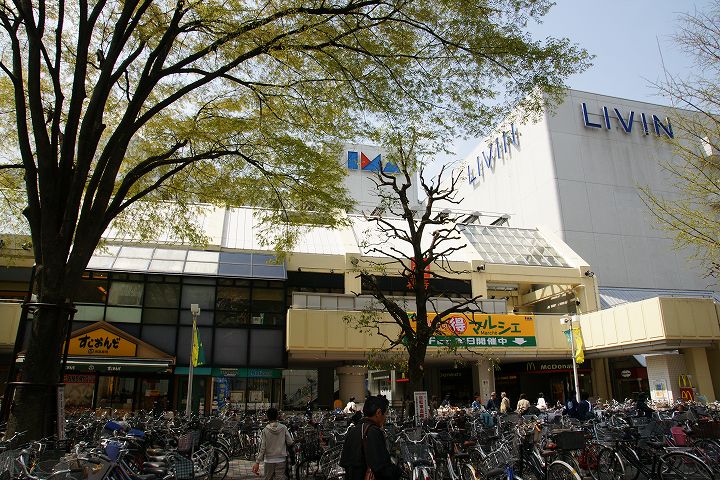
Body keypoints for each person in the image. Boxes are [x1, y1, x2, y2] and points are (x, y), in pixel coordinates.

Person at [340, 395, 402, 480]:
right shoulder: (373, 431)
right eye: (385, 413)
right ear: (378, 413)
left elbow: (344, 461)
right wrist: (398, 471)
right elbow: (381, 467)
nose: (385, 418)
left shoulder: (353, 430)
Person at [253, 407, 294, 480]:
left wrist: (257, 462)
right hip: (281, 459)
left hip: (269, 460)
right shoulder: (283, 428)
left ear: (267, 417)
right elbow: (290, 442)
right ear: (277, 416)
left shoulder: (265, 430)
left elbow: (262, 448)